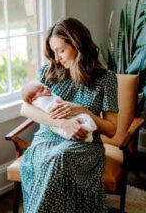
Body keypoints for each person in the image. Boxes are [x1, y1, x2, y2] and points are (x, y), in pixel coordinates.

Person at [19, 18, 118, 213]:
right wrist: (63, 124)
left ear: (77, 45)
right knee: (53, 160)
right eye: (53, 52)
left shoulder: (106, 79)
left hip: (84, 145)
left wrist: (83, 110)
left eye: (61, 51)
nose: (56, 58)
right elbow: (25, 109)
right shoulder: (49, 73)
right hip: (47, 139)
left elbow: (112, 130)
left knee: (60, 158)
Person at [21, 82, 96, 142]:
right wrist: (62, 122)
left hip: (67, 117)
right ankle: (86, 132)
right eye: (42, 90)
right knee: (66, 131)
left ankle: (87, 131)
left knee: (82, 119)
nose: (46, 88)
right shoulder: (40, 100)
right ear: (34, 98)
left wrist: (78, 109)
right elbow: (48, 109)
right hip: (55, 124)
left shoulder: (46, 94)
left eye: (44, 86)